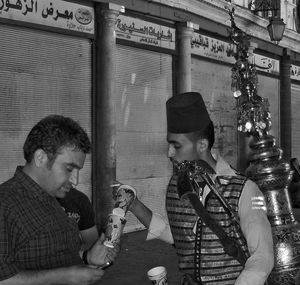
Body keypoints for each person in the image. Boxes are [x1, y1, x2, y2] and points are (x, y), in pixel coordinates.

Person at [130, 92, 274, 285]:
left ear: (202, 145)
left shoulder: (245, 189)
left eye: (177, 146)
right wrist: (135, 205)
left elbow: (262, 257)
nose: (169, 153)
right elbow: (179, 235)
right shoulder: (177, 186)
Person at [0, 115, 117, 285]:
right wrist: (66, 276)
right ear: (40, 158)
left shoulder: (50, 199)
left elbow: (53, 257)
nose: (75, 180)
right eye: (69, 169)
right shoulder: (5, 205)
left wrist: (87, 257)